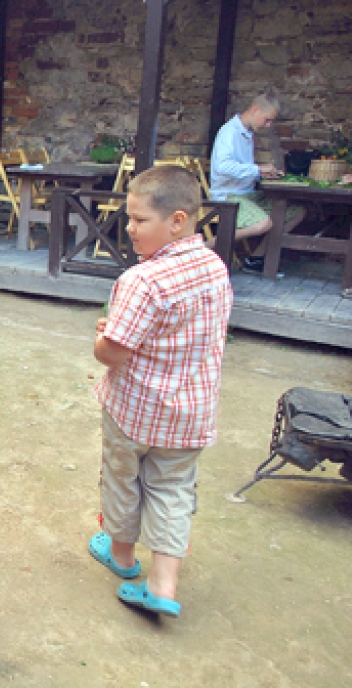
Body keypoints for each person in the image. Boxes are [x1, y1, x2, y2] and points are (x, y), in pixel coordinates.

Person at [89, 166, 233, 618]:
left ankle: (123, 555)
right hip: (190, 413)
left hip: (135, 410)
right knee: (173, 489)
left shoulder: (142, 280)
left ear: (176, 220)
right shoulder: (214, 266)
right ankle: (163, 585)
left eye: (138, 220)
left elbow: (112, 353)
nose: (129, 229)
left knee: (122, 476)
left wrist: (104, 337)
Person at [209, 89, 305, 272]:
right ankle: (204, 246)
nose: (268, 125)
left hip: (248, 194)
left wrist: (261, 173)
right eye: (267, 119)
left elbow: (242, 169)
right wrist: (257, 169)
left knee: (296, 212)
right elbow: (222, 167)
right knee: (263, 223)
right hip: (228, 197)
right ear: (255, 110)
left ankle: (255, 259)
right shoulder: (229, 132)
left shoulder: (247, 133)